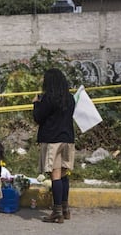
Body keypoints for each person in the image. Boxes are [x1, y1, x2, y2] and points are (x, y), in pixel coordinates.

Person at [32, 68, 75, 224]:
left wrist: (36, 104)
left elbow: (38, 117)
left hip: (53, 140)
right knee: (64, 174)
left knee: (55, 175)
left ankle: (57, 213)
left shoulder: (49, 99)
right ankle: (65, 209)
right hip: (68, 139)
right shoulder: (70, 98)